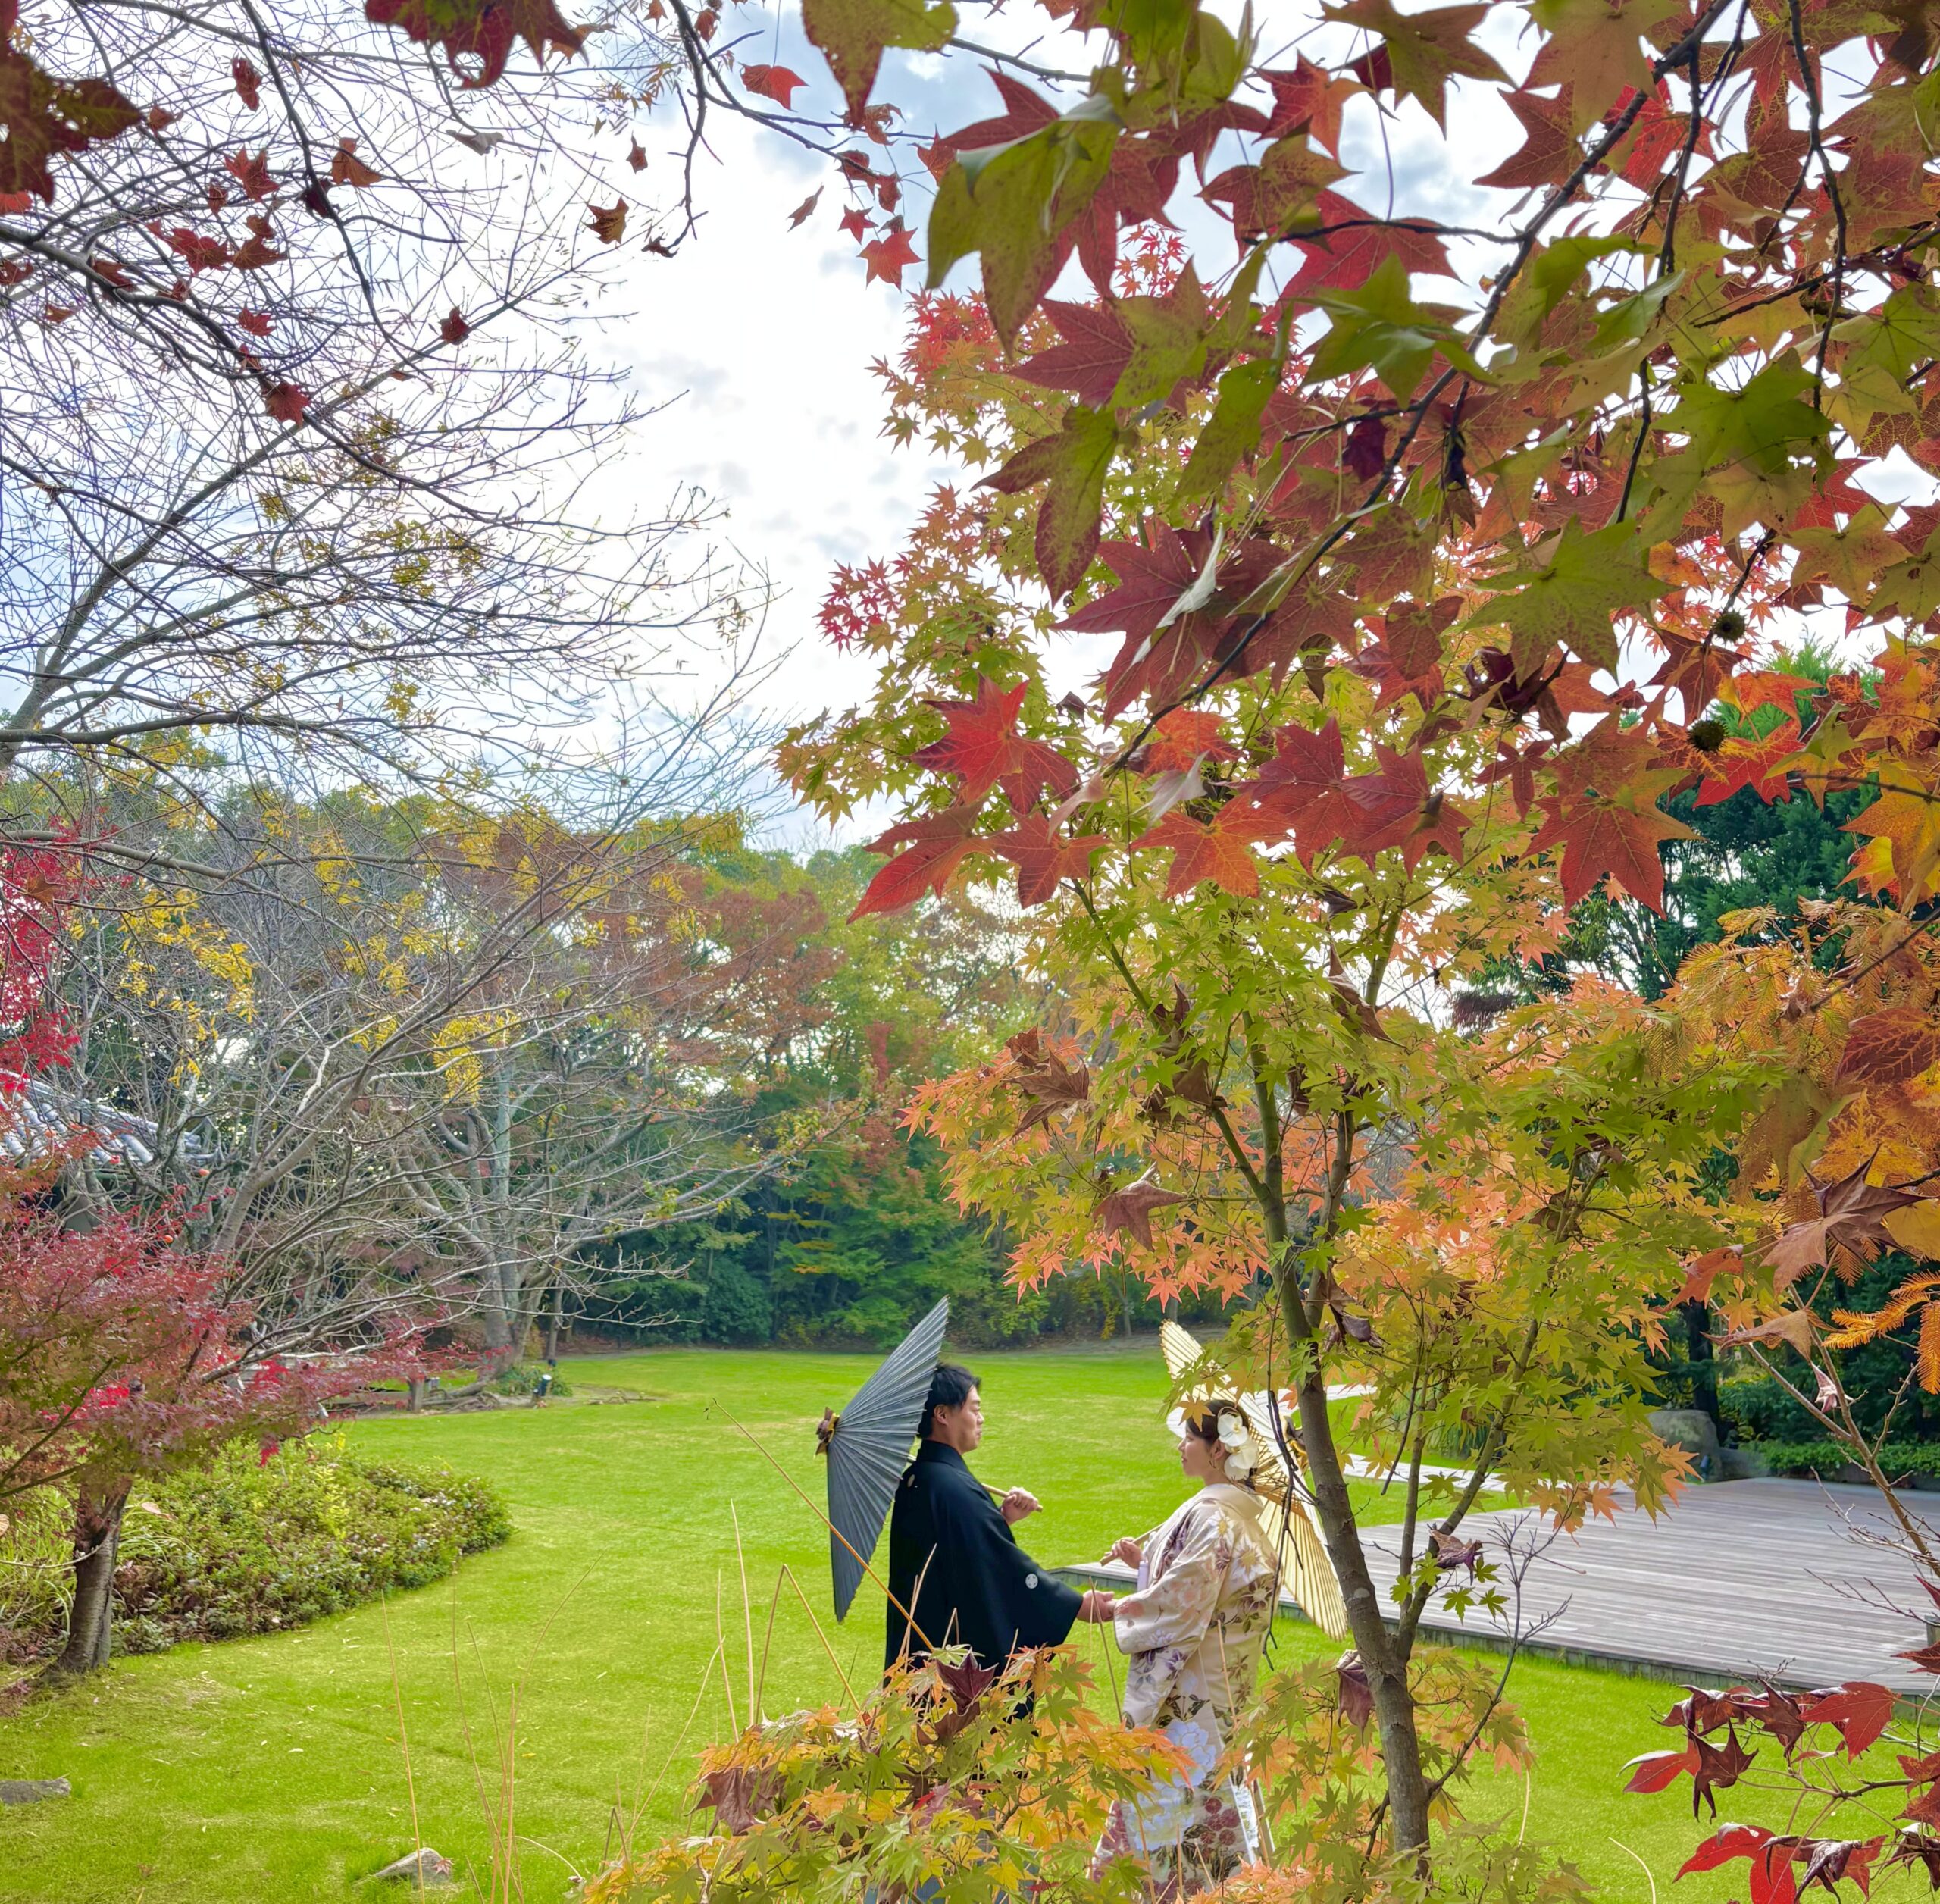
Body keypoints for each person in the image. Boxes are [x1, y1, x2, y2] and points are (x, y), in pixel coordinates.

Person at [1093, 1398, 1281, 1899]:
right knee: (1210, 1807)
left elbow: (1181, 1602)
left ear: (1219, 1449)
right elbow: (1204, 1588)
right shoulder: (1241, 1520)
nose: (1181, 1447)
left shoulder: (1213, 1517)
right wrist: (1145, 1562)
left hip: (1187, 1695)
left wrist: (1121, 1608)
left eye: (1190, 1440)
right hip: (1222, 1687)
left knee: (1170, 1803)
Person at [885, 1362, 1114, 1671]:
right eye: (974, 1409)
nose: (981, 1419)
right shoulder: (952, 1488)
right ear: (942, 1415)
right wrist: (1074, 1605)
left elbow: (961, 1554)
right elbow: (998, 1564)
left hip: (925, 1647)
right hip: (951, 1658)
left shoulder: (921, 1478)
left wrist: (1001, 1518)